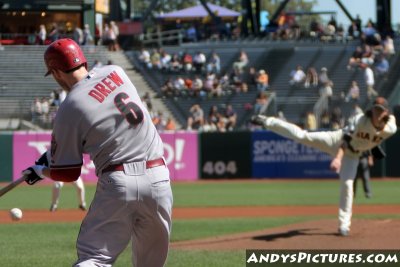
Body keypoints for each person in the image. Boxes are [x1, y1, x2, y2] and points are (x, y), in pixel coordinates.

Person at [21, 38, 172, 266]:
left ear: (55, 72)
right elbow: (105, 114)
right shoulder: (116, 71)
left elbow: (68, 173)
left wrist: (41, 170)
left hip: (119, 182)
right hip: (159, 177)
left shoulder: (68, 108)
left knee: (95, 258)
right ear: (82, 60)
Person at [251, 96, 396, 236]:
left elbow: (372, 141)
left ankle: (344, 225)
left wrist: (372, 152)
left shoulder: (391, 127)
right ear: (372, 110)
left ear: (386, 112)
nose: (377, 113)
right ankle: (268, 121)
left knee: (347, 185)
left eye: (380, 110)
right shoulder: (360, 120)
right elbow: (346, 140)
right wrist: (338, 159)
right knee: (303, 136)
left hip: (353, 156)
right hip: (337, 141)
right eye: (375, 109)